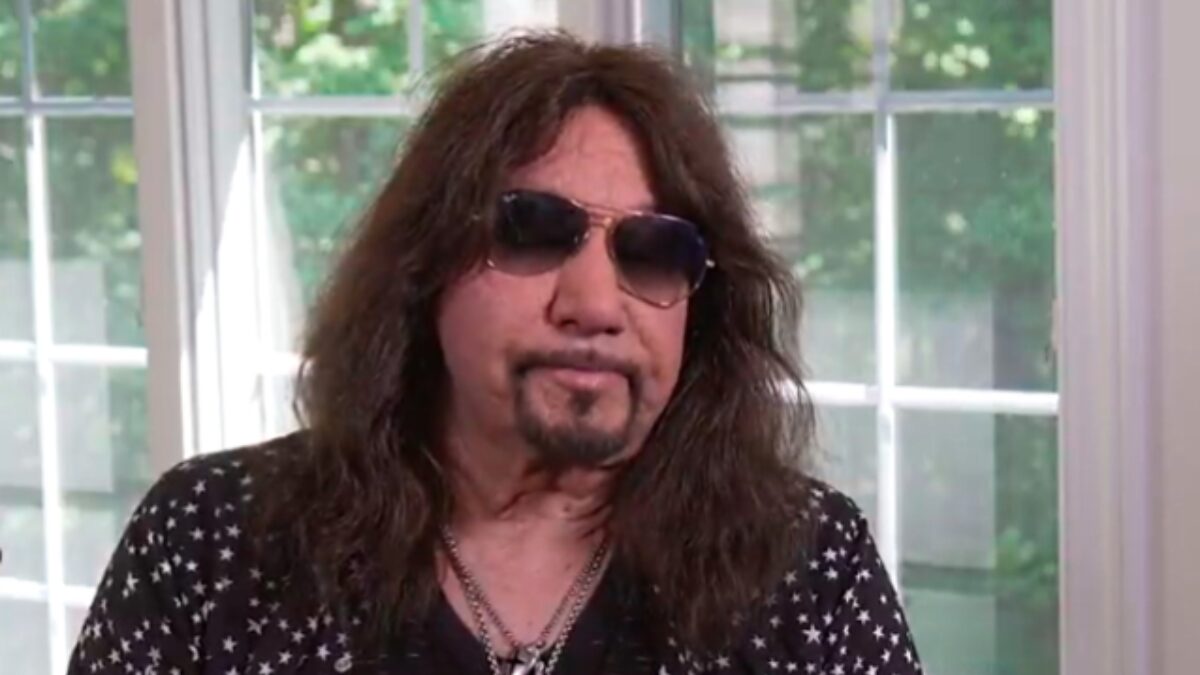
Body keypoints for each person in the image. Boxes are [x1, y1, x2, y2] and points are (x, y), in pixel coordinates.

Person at [69, 32, 921, 675]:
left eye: (655, 250)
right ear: (427, 265)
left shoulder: (810, 568)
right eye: (532, 231)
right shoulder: (213, 541)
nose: (595, 304)